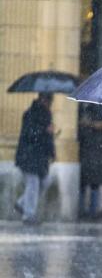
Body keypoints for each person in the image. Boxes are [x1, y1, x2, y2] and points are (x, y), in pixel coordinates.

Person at [14, 92, 55, 225]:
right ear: (43, 99)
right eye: (49, 100)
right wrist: (45, 130)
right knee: (33, 183)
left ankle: (21, 203)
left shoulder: (48, 115)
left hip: (40, 157)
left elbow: (48, 138)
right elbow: (29, 133)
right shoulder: (29, 114)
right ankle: (28, 215)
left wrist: (52, 152)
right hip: (29, 155)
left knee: (45, 181)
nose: (50, 104)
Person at [78, 103, 102, 219]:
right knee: (94, 186)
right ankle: (92, 212)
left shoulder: (85, 123)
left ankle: (83, 211)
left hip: (87, 157)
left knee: (85, 186)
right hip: (97, 158)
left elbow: (80, 138)